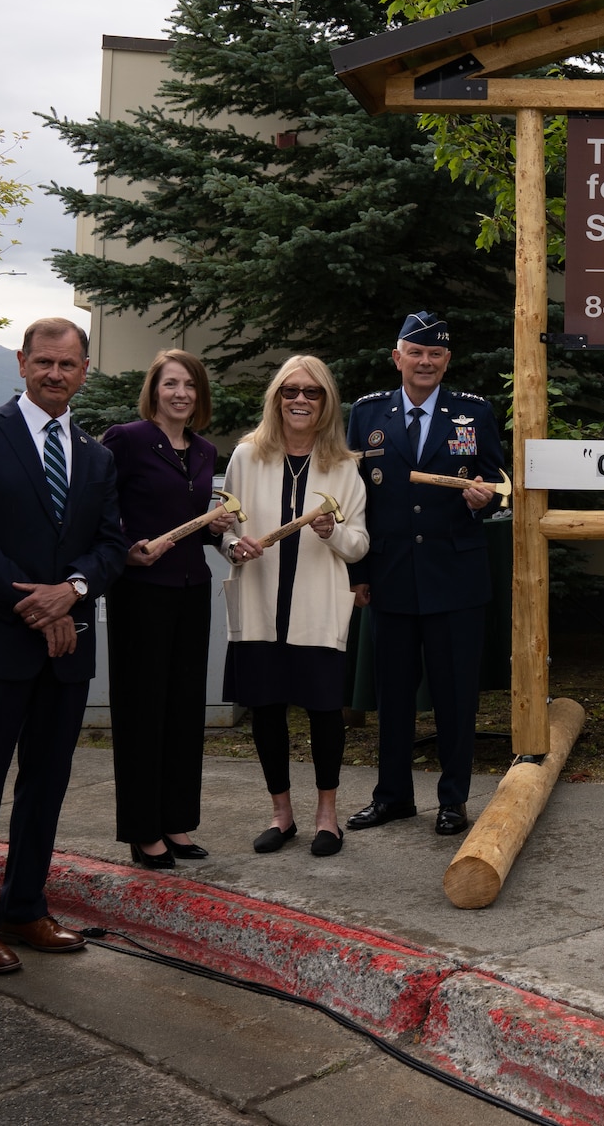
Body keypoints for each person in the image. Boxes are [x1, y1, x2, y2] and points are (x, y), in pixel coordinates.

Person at [0, 319, 128, 974]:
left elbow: (109, 547)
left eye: (68, 364)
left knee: (45, 784)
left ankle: (24, 906)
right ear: (21, 362)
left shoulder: (97, 457)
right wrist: (37, 605)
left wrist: (70, 591)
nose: (55, 373)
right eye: (43, 361)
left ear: (84, 369)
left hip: (66, 650)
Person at [344, 311, 504, 837]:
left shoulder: (473, 413)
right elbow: (356, 500)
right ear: (398, 358)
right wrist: (359, 572)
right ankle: (392, 795)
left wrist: (483, 499)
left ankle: (453, 799)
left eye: (435, 354)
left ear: (446, 361)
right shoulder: (367, 414)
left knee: (455, 694)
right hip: (390, 574)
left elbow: (497, 479)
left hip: (454, 575)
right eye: (416, 352)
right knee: (392, 694)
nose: (425, 361)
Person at [220, 355, 370, 857]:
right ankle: (281, 814)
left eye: (312, 392)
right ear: (276, 398)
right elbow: (225, 527)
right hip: (260, 600)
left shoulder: (344, 466)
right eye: (290, 391)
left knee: (326, 712)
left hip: (317, 607)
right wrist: (230, 547)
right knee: (265, 710)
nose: (300, 400)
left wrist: (334, 532)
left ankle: (327, 817)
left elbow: (360, 545)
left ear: (326, 402)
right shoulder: (247, 456)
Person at [101, 350, 238, 869]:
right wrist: (125, 545)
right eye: (170, 384)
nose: (181, 393)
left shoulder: (203, 450)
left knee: (183, 709)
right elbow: (99, 509)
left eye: (190, 386)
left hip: (190, 589)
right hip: (142, 590)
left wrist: (212, 527)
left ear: (199, 395)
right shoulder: (127, 440)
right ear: (154, 390)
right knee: (142, 710)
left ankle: (176, 821)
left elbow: (185, 520)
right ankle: (143, 831)